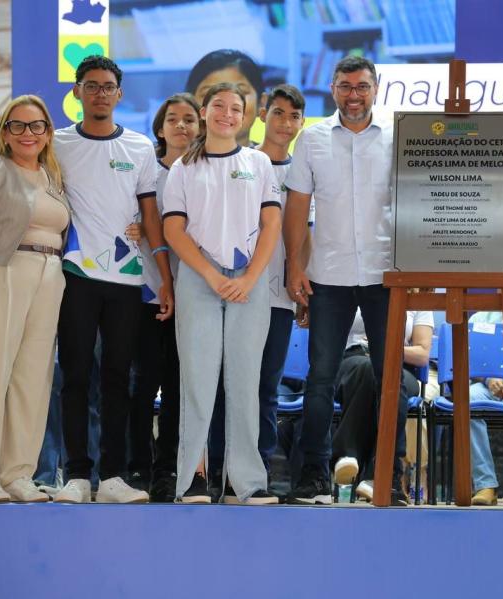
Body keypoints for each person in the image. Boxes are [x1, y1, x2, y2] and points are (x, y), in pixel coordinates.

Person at [53, 55, 175, 504]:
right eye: (92, 85)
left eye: (108, 86)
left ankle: (113, 477)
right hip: (76, 277)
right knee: (76, 376)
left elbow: (150, 216)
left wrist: (164, 279)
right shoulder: (58, 144)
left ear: (119, 94)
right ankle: (76, 475)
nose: (100, 92)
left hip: (127, 280)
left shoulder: (141, 147)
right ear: (77, 92)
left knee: (117, 379)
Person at [283, 55, 400, 505]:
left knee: (390, 380)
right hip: (327, 277)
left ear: (377, 87)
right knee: (320, 380)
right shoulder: (311, 140)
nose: (354, 95)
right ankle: (312, 476)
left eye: (362, 86)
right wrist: (295, 266)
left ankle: (389, 476)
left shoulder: (395, 138)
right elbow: (297, 209)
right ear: (332, 89)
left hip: (384, 274)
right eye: (346, 86)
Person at [163, 82, 282, 505]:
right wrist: (212, 277)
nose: (227, 114)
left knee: (245, 382)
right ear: (205, 110)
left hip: (250, 282)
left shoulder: (259, 163)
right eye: (219, 106)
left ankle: (244, 482)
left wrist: (250, 279)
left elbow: (271, 225)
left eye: (236, 108)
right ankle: (192, 479)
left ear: (245, 116)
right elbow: (173, 229)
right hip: (199, 281)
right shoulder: (183, 168)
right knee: (197, 381)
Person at [0, 94, 70, 503]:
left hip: (50, 276)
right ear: (4, 131)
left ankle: (18, 472)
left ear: (48, 132)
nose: (27, 133)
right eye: (17, 125)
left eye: (36, 125)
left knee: (32, 380)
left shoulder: (53, 177)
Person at [208, 84, 306, 496]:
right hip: (235, 291)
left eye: (294, 116)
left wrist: (302, 286)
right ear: (263, 115)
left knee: (266, 388)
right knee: (224, 386)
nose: (285, 122)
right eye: (278, 113)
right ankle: (215, 471)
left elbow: (304, 235)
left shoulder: (303, 173)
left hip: (280, 298)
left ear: (302, 123)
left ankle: (255, 476)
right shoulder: (240, 161)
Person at [127, 92, 201, 502]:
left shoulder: (206, 171)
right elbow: (126, 214)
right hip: (148, 293)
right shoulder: (145, 170)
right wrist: (134, 227)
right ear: (159, 128)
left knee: (177, 388)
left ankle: (167, 469)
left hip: (193, 297)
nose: (181, 126)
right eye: (173, 119)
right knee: (142, 385)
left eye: (190, 119)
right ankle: (137, 464)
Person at [333, 308, 433, 505]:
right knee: (370, 371)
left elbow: (422, 354)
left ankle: (348, 456)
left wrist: (384, 348)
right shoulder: (354, 286)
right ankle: (383, 474)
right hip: (352, 360)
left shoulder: (420, 296)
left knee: (388, 377)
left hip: (399, 364)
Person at [185, 49, 263, 148]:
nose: (226, 105)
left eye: (240, 91)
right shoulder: (174, 161)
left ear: (261, 103)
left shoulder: (272, 161)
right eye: (209, 93)